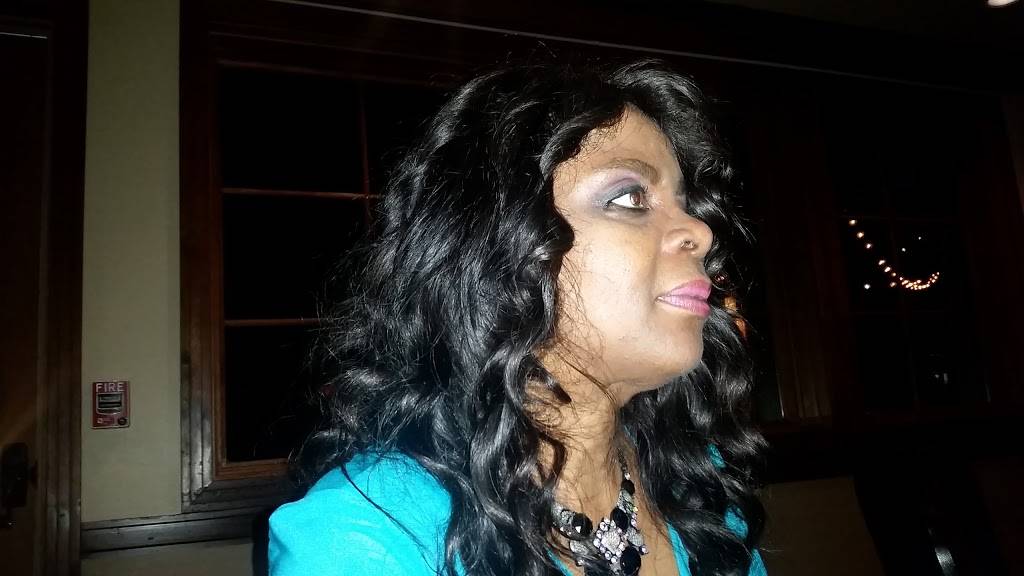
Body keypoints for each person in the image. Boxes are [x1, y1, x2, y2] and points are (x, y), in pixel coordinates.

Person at [268, 59, 769, 576]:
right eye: (629, 197)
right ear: (493, 245)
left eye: (686, 204)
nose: (700, 232)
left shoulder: (698, 487)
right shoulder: (364, 536)